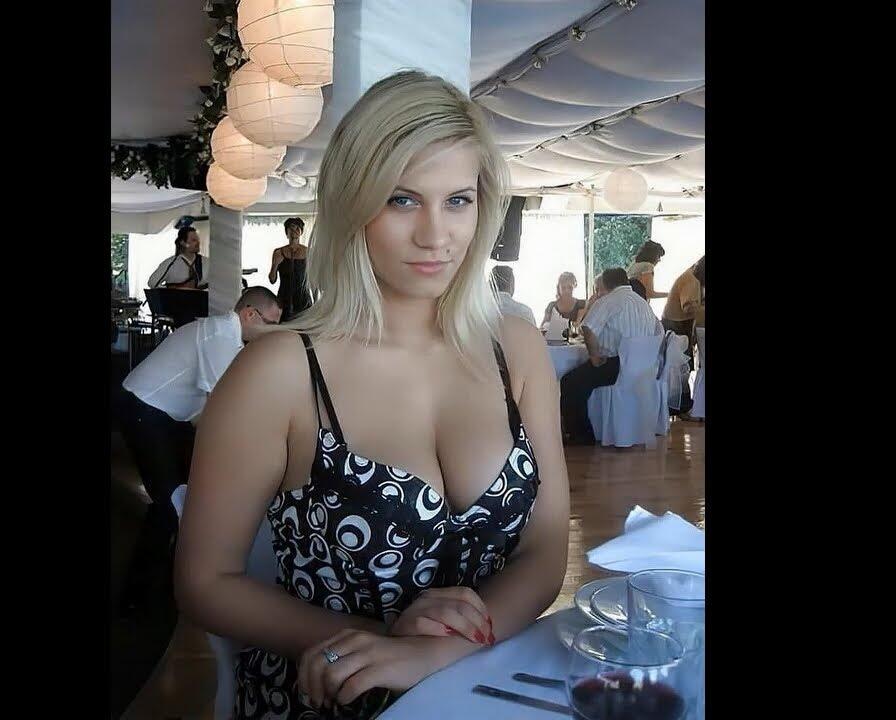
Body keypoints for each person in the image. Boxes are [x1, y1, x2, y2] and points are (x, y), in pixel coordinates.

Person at [174, 70, 569, 720]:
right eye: (402, 199)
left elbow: (546, 547)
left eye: (458, 200)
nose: (435, 235)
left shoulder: (516, 350)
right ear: (354, 202)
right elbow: (203, 583)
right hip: (331, 694)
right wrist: (384, 642)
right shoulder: (279, 374)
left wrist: (440, 653)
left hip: (488, 687)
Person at [116, 287, 283, 615]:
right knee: (171, 503)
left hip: (164, 415)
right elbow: (219, 411)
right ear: (250, 315)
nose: (274, 333)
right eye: (272, 324)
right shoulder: (219, 337)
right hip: (143, 410)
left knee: (181, 498)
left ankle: (163, 587)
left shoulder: (230, 338)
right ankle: (137, 601)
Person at [559, 267, 662, 445]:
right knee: (582, 378)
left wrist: (594, 356)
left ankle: (581, 435)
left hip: (617, 366)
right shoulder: (642, 303)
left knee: (570, 381)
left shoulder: (610, 300)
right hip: (643, 370)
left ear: (605, 284)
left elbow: (588, 327)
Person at [662, 256, 703, 416]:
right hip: (677, 326)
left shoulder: (691, 277)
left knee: (681, 369)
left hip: (679, 325)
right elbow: (688, 307)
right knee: (680, 370)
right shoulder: (692, 281)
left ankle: (683, 407)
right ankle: (681, 408)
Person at [269, 217, 313, 320]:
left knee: (304, 326)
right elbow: (272, 280)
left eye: (298, 228)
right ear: (286, 232)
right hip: (284, 299)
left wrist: (316, 303)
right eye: (291, 228)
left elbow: (313, 280)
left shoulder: (309, 252)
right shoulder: (278, 252)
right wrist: (275, 264)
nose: (295, 231)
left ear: (301, 232)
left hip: (304, 300)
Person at [541, 272, 586, 339]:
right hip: (554, 342)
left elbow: (578, 327)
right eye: (563, 288)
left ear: (574, 286)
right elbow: (543, 327)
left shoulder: (581, 304)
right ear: (558, 288)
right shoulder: (551, 306)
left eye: (570, 287)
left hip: (576, 343)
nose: (567, 291)